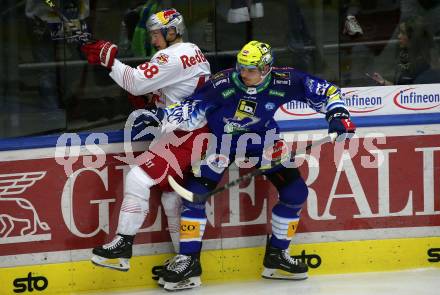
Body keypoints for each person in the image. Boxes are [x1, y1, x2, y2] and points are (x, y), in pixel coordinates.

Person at [146, 40, 356, 291]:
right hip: (220, 141)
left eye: (250, 69)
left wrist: (338, 115)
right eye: (241, 67)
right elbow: (191, 108)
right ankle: (189, 261)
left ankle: (277, 257)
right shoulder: (223, 82)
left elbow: (327, 91)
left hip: (264, 139)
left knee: (295, 193)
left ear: (267, 68)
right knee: (195, 195)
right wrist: (158, 119)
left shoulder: (285, 80)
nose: (243, 73)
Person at [80, 8, 211, 274]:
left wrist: (109, 60)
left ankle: (122, 246)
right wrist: (155, 99)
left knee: (138, 178)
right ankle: (187, 264)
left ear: (172, 31)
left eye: (156, 34)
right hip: (189, 131)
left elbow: (137, 83)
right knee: (171, 199)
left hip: (185, 135)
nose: (153, 40)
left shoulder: (170, 56)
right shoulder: (192, 50)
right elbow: (175, 88)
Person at [367, 16, 433, 85]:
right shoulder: (406, 59)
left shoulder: (421, 64)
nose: (399, 36)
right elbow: (401, 87)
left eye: (403, 33)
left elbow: (411, 91)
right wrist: (383, 82)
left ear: (412, 37)